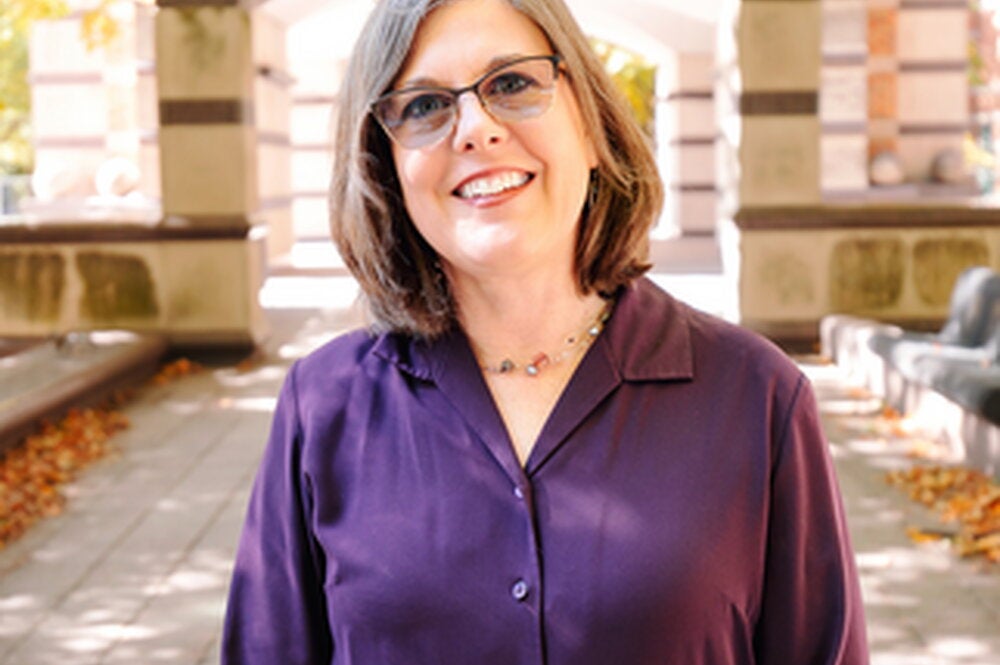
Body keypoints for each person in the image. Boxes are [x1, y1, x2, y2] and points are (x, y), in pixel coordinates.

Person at [222, 0, 870, 662]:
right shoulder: (323, 405)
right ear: (387, 167)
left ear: (591, 125)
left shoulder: (757, 397)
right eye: (422, 106)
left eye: (512, 83)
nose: (475, 129)